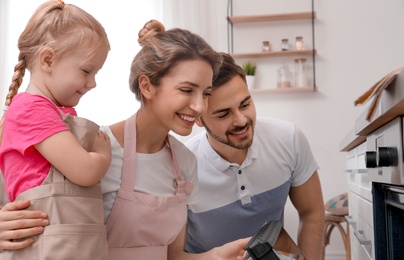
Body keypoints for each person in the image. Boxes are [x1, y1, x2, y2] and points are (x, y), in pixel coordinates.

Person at [0, 20, 249, 259]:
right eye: (186, 90)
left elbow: (172, 256)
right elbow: (27, 195)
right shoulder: (93, 148)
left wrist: (215, 256)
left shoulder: (186, 163)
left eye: (205, 93)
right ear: (147, 86)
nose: (198, 106)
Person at [185, 53, 325, 260]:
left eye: (245, 104)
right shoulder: (182, 165)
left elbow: (312, 212)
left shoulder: (289, 138)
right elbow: (170, 253)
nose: (241, 121)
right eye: (224, 114)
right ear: (197, 119)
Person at [0, 1, 111, 259]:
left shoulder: (53, 111)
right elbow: (85, 171)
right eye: (86, 70)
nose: (93, 83)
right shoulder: (32, 110)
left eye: (97, 72)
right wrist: (102, 153)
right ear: (48, 59)